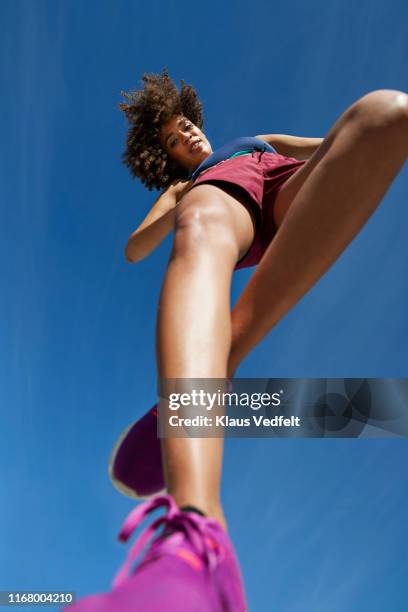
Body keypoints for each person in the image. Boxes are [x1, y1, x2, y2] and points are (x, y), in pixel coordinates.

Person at [68, 69, 408, 611]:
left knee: (383, 114)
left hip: (287, 191)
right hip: (226, 205)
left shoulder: (260, 140)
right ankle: (197, 539)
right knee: (201, 217)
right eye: (174, 142)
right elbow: (135, 248)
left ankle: (201, 381)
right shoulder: (186, 185)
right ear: (170, 157)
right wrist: (180, 201)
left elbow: (329, 147)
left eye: (185, 127)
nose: (187, 138)